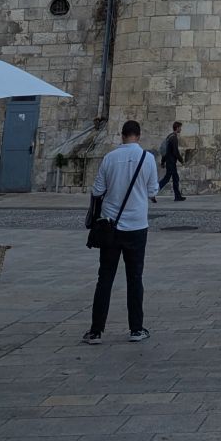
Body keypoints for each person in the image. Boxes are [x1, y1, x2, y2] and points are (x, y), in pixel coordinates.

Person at [83, 119, 159, 345]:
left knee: (104, 278)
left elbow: (97, 190)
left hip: (110, 227)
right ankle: (136, 329)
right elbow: (153, 190)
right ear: (139, 135)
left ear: (121, 135)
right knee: (135, 278)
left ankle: (96, 331)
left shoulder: (109, 158)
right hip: (136, 227)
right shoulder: (148, 158)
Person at [156, 120, 185, 200]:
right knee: (167, 178)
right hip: (171, 162)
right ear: (177, 128)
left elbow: (165, 151)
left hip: (170, 162)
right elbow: (175, 152)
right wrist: (181, 160)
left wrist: (162, 162)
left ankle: (177, 196)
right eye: (180, 128)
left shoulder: (169, 136)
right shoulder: (174, 138)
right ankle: (153, 192)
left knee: (175, 178)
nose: (181, 129)